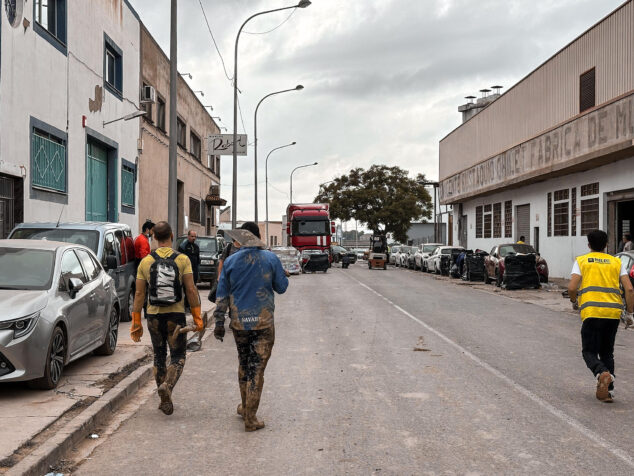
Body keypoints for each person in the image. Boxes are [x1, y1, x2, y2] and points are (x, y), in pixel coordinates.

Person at [213, 222, 289, 432]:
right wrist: (281, 274)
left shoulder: (230, 261)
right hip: (263, 323)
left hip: (239, 323)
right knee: (257, 369)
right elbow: (281, 288)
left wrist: (219, 323)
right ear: (257, 237)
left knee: (244, 364)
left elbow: (221, 296)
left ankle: (245, 406)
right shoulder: (270, 259)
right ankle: (250, 417)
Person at [130, 221, 203, 415]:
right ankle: (168, 387)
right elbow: (190, 289)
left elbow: (139, 294)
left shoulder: (146, 261)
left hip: (153, 316)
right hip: (175, 316)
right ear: (171, 236)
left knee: (159, 356)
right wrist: (197, 316)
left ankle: (163, 396)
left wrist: (136, 321)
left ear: (153, 237)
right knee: (178, 356)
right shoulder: (182, 259)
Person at [568, 229, 634, 403]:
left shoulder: (582, 261)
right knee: (607, 352)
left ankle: (601, 373)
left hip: (591, 312)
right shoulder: (616, 262)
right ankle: (608, 391)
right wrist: (630, 313)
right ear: (606, 245)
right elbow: (629, 289)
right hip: (612, 313)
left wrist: (574, 301)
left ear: (589, 245)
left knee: (589, 351)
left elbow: (572, 287)